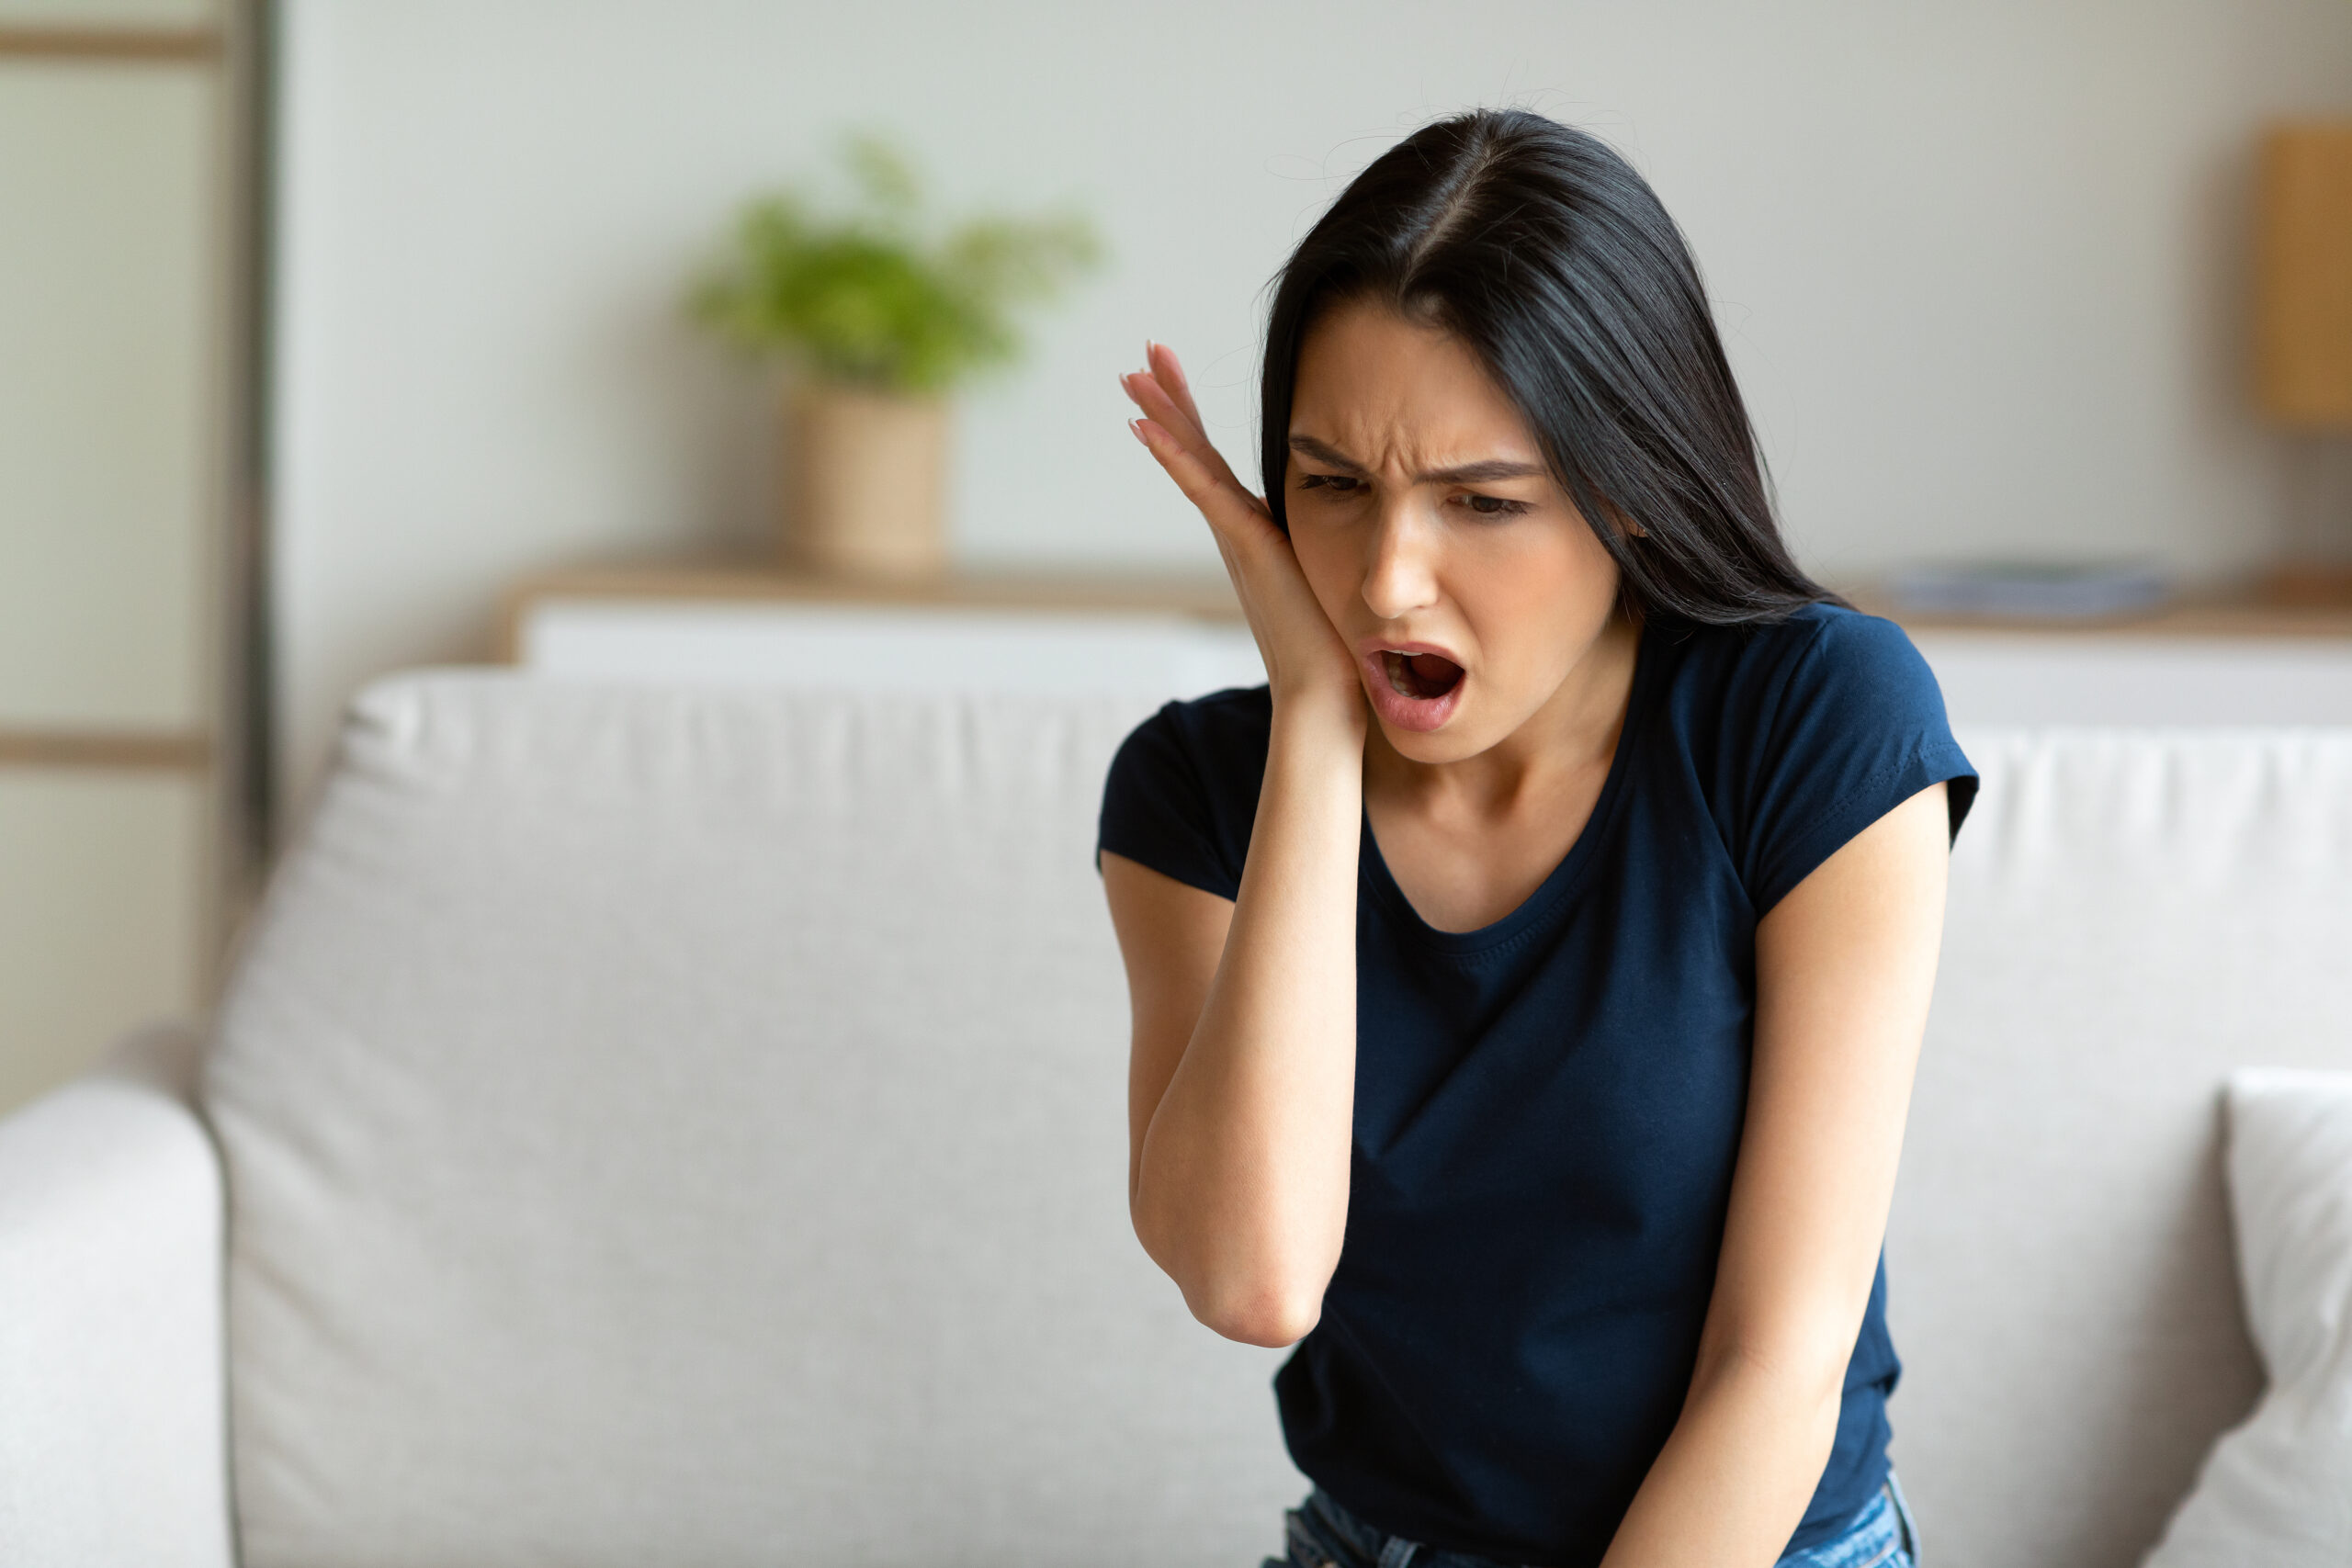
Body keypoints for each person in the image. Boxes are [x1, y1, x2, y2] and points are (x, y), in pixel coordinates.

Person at [1098, 109, 1976, 1568]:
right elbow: (1255, 1279)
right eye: (1330, 486)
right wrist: (1314, 726)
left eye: (1483, 503)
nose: (1387, 580)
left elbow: (1783, 1359)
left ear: (1629, 490)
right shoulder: (1196, 793)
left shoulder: (1819, 719)